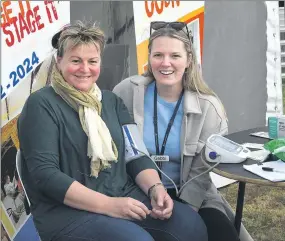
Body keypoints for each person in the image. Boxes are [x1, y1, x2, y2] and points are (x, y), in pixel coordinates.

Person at [17, 21, 207, 241]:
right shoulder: (40, 105)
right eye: (75, 60)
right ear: (59, 61)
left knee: (190, 226)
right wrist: (109, 206)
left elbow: (135, 154)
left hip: (121, 193)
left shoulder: (111, 101)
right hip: (66, 211)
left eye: (92, 61)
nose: (85, 69)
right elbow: (46, 176)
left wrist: (155, 189)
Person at [113, 21, 253, 241]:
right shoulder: (126, 92)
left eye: (175, 56)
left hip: (191, 194)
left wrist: (186, 209)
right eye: (158, 55)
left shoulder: (209, 107)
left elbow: (203, 170)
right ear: (149, 58)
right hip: (135, 193)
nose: (165, 63)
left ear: (188, 60)